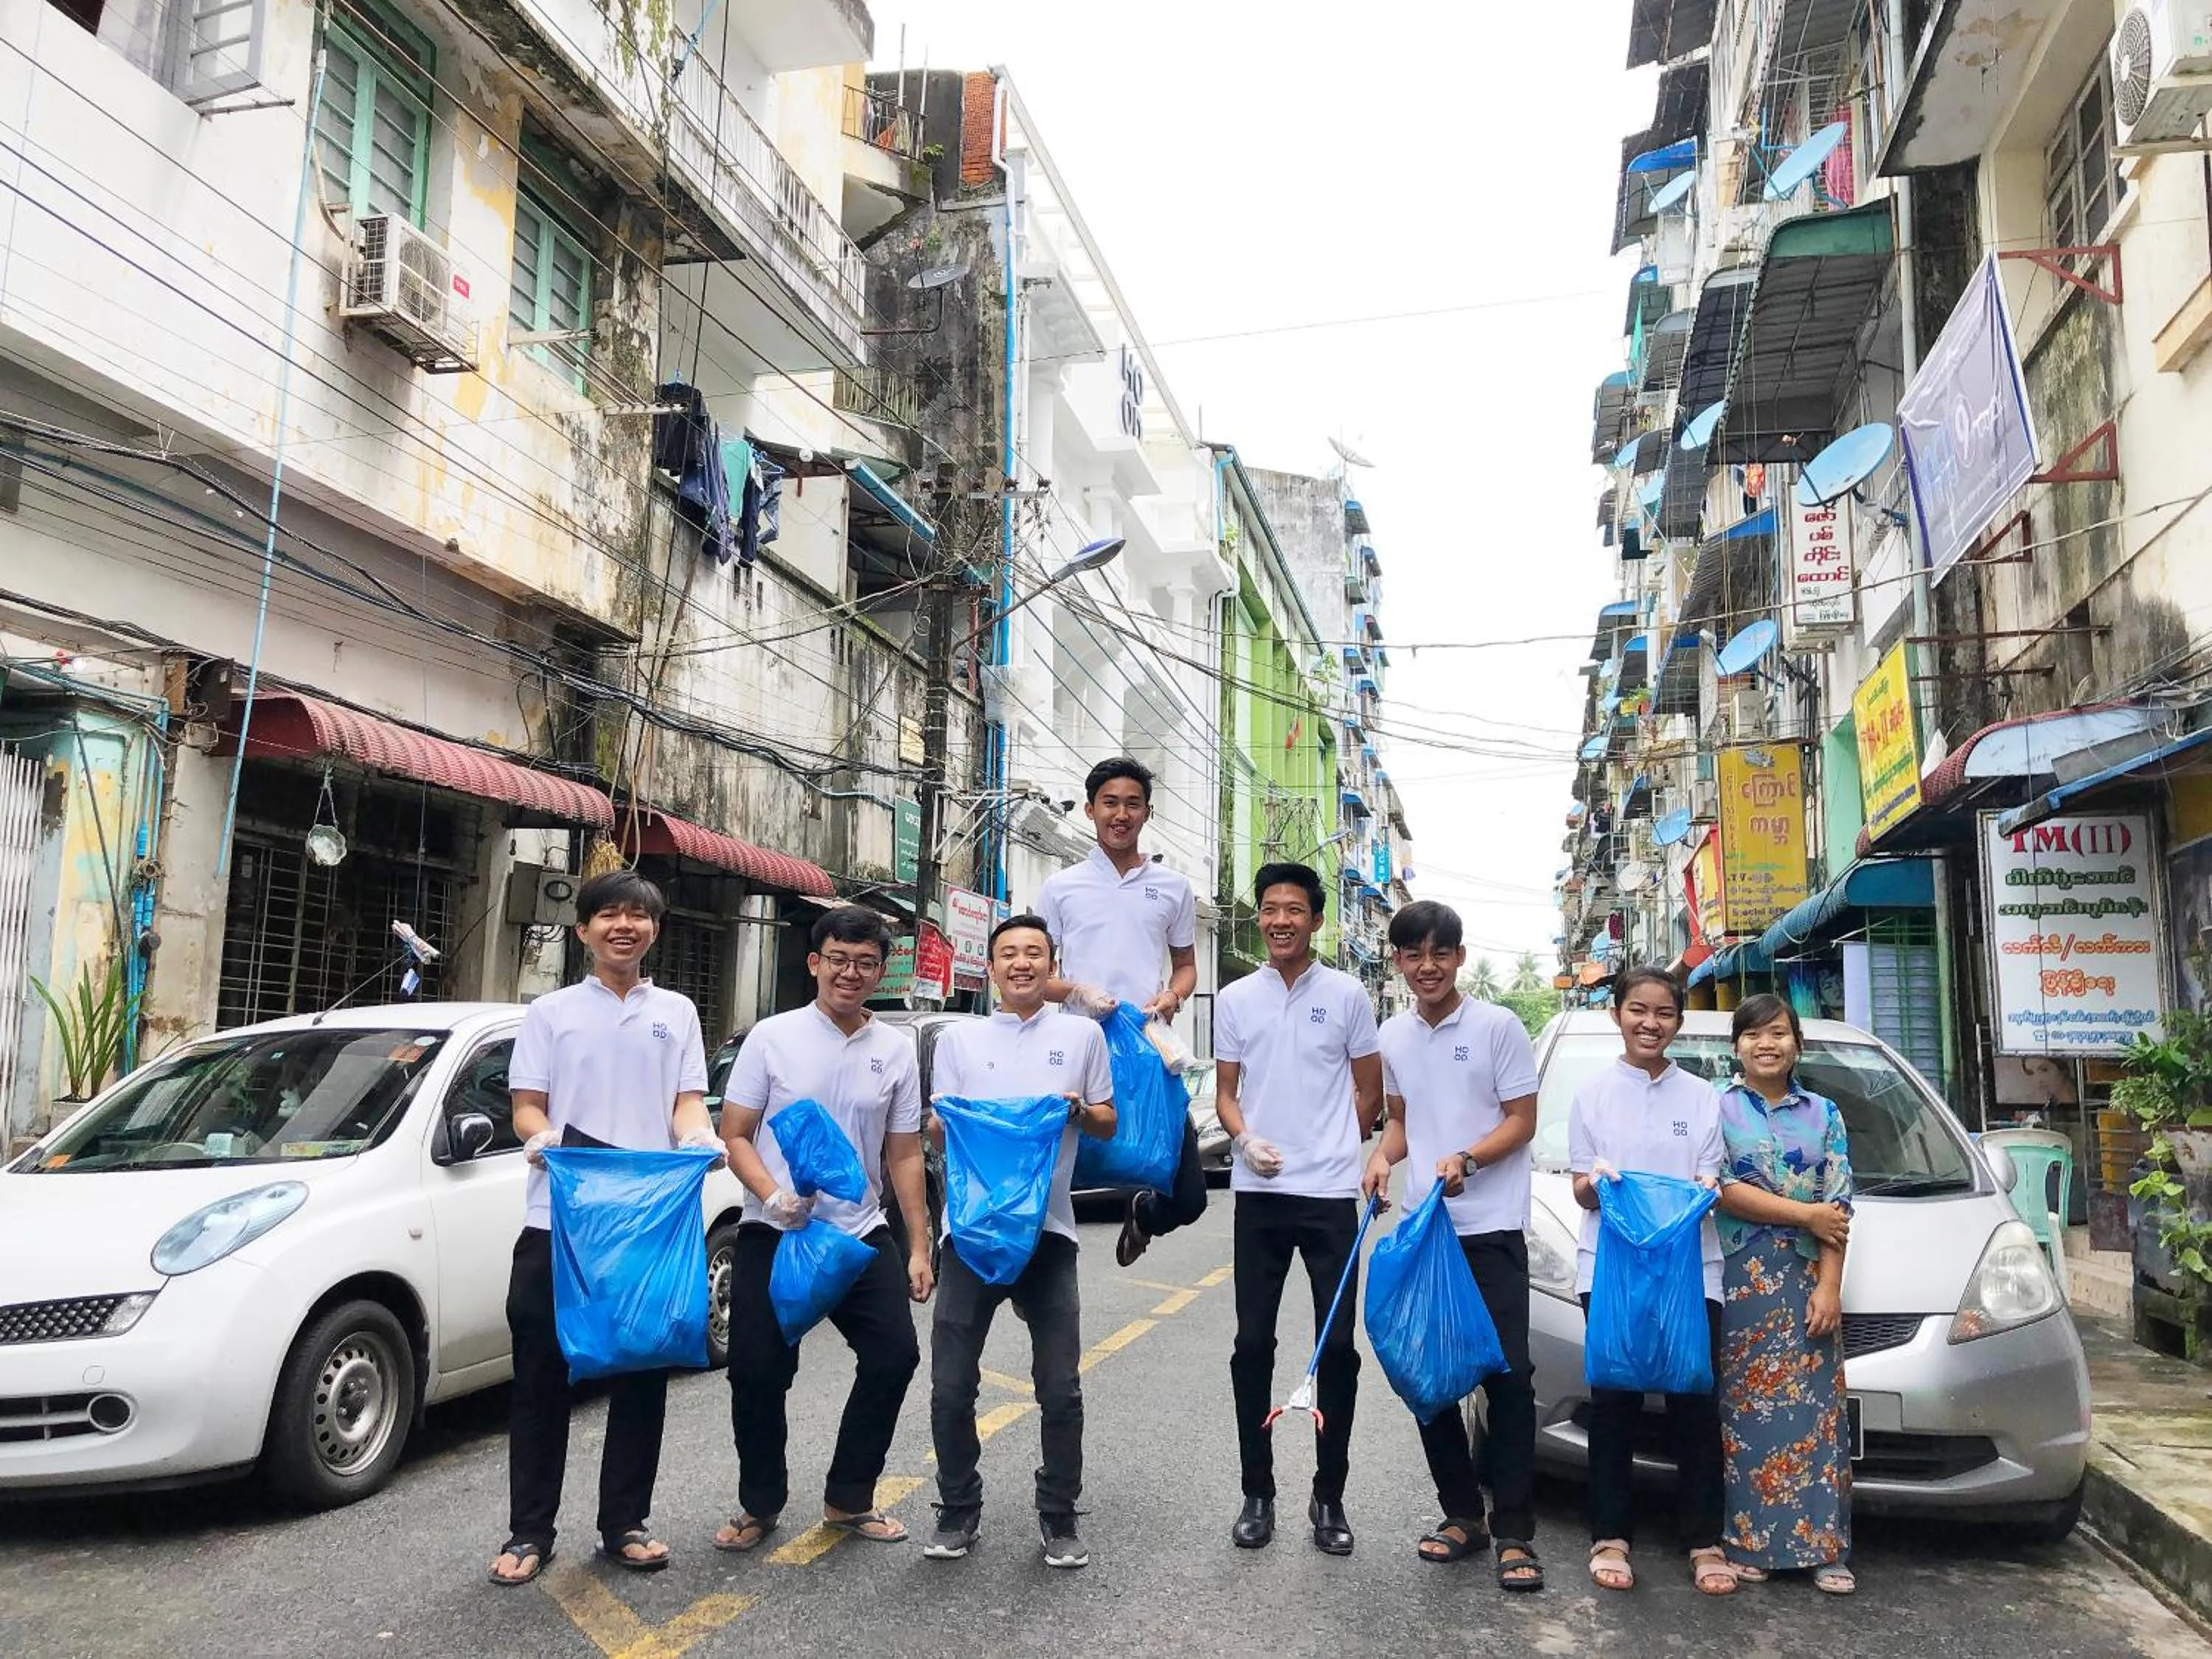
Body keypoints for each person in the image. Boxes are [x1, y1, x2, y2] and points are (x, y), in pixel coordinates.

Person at [488, 870, 723, 1587]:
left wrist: (698, 1138)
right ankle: (529, 1532)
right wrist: (541, 1135)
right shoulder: (550, 1012)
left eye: (639, 916)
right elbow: (527, 1105)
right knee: (540, 1378)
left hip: (644, 1221)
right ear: (583, 929)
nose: (626, 926)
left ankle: (625, 1523)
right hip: (556, 1219)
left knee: (642, 1374)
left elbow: (686, 1102)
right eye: (610, 916)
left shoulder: (677, 1011)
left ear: (655, 929)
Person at [712, 905, 933, 1555]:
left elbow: (904, 1154)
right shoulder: (772, 1038)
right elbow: (735, 1133)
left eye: (866, 963)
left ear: (881, 970)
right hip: (774, 1233)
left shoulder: (894, 1049)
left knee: (895, 1356)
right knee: (757, 1371)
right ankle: (760, 1503)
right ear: (815, 963)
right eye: (838, 960)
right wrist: (771, 1195)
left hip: (860, 1233)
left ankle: (849, 1497)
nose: (851, 973)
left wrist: (918, 1244)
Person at [922, 914, 1116, 1571]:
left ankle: (1059, 1517)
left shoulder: (1082, 1036)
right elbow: (939, 1131)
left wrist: (1077, 1111)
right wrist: (941, 1124)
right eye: (1009, 954)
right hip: (969, 1235)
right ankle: (957, 1511)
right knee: (950, 1385)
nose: (1022, 964)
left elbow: (1108, 1124)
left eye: (1035, 953)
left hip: (1050, 1232)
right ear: (992, 966)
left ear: (1050, 963)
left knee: (1060, 1388)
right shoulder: (959, 1041)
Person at [1362, 900, 1543, 1591]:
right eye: (1413, 955)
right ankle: (1462, 1516)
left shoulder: (1498, 1027)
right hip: (1424, 1231)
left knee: (1511, 1379)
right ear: (1400, 963)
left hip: (1490, 1230)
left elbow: (1522, 1121)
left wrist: (1467, 1159)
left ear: (1460, 958)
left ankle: (1516, 1531)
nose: (1427, 967)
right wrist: (1384, 1157)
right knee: (1428, 1376)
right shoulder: (1394, 1036)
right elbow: (1404, 1120)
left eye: (1440, 954)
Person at [1215, 861, 1383, 1557]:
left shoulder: (1347, 994)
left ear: (1316, 920)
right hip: (1259, 1195)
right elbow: (1227, 1093)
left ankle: (1329, 1495)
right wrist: (1244, 1139)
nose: (1281, 920)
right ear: (1261, 918)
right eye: (1270, 909)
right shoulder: (1235, 998)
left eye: (1294, 909)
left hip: (1328, 1199)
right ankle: (1259, 1492)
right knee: (1251, 1345)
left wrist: (1336, 1149)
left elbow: (1370, 1095)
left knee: (1337, 1349)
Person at [1567, 964, 1733, 1598]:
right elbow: (1582, 1191)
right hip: (1608, 1271)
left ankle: (1703, 1539)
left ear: (1678, 1023)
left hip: (1693, 1272)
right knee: (1614, 1403)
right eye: (1638, 1010)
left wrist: (1707, 1193)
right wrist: (1597, 1183)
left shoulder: (1702, 1097)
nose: (1650, 1023)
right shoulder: (1592, 1095)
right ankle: (1610, 1535)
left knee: (1695, 1403)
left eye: (1663, 1013)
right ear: (1617, 1015)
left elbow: (1710, 1187)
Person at [1037, 755, 1206, 1267]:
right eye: (1110, 802)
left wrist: (1172, 997)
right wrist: (1077, 992)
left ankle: (1145, 1216)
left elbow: (1186, 967)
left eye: (1133, 804)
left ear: (1147, 814)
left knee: (1191, 1196)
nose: (1121, 814)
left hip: (1146, 1048)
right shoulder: (1061, 887)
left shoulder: (1172, 888)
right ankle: (1031, 1280)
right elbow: (1036, 976)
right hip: (1074, 1051)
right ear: (1090, 810)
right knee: (1046, 1181)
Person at [1714, 993, 1855, 1594]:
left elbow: (1840, 1206)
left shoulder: (1825, 1114)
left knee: (1817, 1417)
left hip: (1806, 1282)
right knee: (1746, 1414)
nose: (1766, 1044)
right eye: (1754, 1034)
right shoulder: (1715, 1109)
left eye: (1778, 1033)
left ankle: (1827, 1549)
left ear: (1797, 1043)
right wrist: (1805, 1215)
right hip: (1740, 1277)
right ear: (1737, 1046)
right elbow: (1718, 1188)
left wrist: (1830, 1285)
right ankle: (1748, 1542)